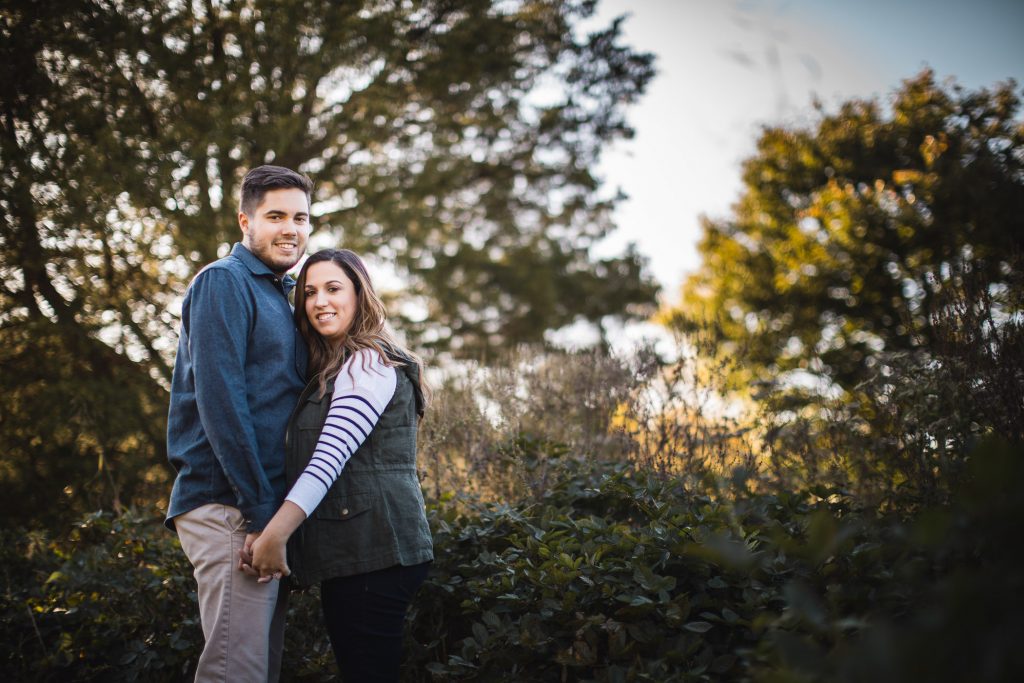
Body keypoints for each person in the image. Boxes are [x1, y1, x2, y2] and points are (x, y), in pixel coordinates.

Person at [243, 248, 434, 682]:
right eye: (309, 292)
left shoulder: (367, 362)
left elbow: (329, 460)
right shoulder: (336, 366)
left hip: (375, 553)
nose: (319, 302)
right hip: (363, 552)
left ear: (360, 295)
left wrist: (274, 536)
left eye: (333, 288)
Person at [165, 164, 313, 682]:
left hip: (262, 512)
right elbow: (221, 401)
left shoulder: (280, 293)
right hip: (230, 508)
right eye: (275, 216)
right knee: (236, 672)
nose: (290, 228)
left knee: (257, 671)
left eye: (301, 217)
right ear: (245, 221)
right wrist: (257, 512)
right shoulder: (223, 283)